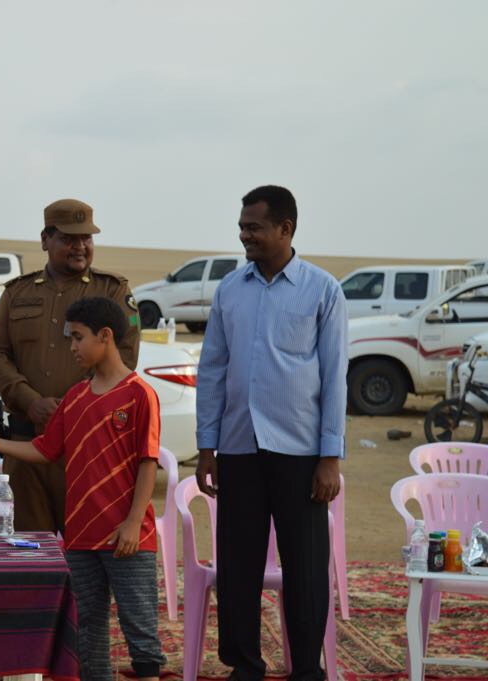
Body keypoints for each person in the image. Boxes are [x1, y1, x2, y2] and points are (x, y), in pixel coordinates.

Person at [0, 297, 165, 681]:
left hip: (127, 537)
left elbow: (148, 462)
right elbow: (45, 449)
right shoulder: (75, 398)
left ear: (105, 336)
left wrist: (132, 523)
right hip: (80, 537)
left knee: (140, 631)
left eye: (77, 337)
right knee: (88, 630)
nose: (72, 347)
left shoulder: (139, 394)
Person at [195, 186, 346, 681]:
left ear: (285, 229)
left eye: (254, 227)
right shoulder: (229, 290)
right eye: (242, 227)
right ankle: (245, 666)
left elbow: (334, 378)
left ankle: (306, 670)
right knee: (238, 565)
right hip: (238, 447)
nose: (245, 235)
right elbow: (212, 369)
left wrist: (330, 457)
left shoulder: (323, 290)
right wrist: (206, 446)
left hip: (301, 452)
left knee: (305, 568)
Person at [0, 198, 140, 533]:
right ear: (45, 239)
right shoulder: (17, 292)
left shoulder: (112, 290)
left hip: (86, 448)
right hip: (26, 444)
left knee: (87, 548)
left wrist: (74, 407)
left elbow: (123, 356)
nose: (80, 247)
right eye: (69, 239)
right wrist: (30, 401)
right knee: (28, 548)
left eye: (86, 238)